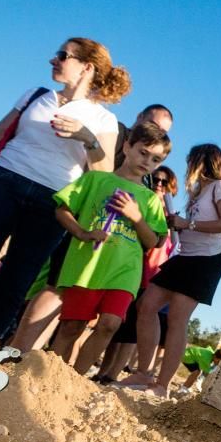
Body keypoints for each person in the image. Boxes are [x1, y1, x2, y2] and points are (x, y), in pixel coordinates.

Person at [0, 38, 127, 359]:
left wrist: (86, 137)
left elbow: (102, 172)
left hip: (52, 202)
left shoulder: (103, 120)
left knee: (15, 281)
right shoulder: (36, 95)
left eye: (63, 56)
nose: (53, 60)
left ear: (87, 67)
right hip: (0, 183)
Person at [12, 104, 174, 352]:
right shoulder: (116, 131)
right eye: (152, 124)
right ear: (138, 120)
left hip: (113, 255)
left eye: (163, 130)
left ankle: (42, 362)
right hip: (79, 218)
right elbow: (92, 174)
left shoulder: (149, 179)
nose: (156, 132)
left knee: (81, 319)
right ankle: (19, 350)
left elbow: (154, 238)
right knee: (54, 289)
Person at [49, 123, 170, 375]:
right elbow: (62, 209)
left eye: (156, 159)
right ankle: (48, 376)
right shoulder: (95, 179)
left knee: (109, 324)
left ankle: (76, 380)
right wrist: (82, 232)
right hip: (86, 267)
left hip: (124, 272)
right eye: (143, 152)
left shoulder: (150, 200)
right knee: (72, 326)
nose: (147, 161)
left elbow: (153, 241)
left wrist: (136, 217)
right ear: (127, 147)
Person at [119, 144, 221, 398]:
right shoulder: (199, 191)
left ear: (201, 162)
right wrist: (179, 225)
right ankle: (144, 372)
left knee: (176, 318)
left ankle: (161, 385)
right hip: (185, 256)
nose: (187, 168)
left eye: (190, 162)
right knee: (147, 305)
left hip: (206, 260)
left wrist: (188, 223)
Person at [94, 165, 179, 383]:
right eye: (156, 179)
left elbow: (168, 244)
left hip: (151, 273)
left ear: (171, 187)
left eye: (164, 181)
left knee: (132, 329)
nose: (159, 184)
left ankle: (112, 374)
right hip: (129, 265)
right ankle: (104, 370)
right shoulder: (141, 198)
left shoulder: (170, 214)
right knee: (117, 324)